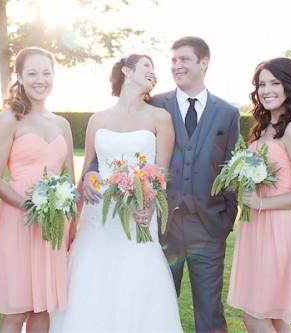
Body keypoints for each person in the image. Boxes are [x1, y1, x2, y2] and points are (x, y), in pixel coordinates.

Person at [83, 36, 240, 332]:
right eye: (173, 60)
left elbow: (229, 168)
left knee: (210, 311)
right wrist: (92, 175)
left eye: (184, 59)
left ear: (203, 63)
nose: (176, 66)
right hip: (159, 224)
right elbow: (103, 154)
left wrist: (226, 218)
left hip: (207, 225)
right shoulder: (153, 103)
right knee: (152, 302)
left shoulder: (227, 112)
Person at [49, 54, 182, 332]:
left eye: (154, 70)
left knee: (135, 282)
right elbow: (86, 172)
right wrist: (76, 213)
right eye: (147, 66)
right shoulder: (98, 119)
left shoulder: (160, 117)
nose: (153, 73)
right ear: (127, 70)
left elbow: (161, 174)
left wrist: (148, 206)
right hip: (98, 218)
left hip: (138, 215)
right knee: (93, 283)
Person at [0, 47, 75, 333]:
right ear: (19, 77)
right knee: (17, 307)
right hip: (18, 218)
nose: (40, 79)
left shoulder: (62, 124)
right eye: (33, 73)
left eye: (46, 73)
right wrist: (30, 206)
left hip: (55, 222)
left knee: (42, 305)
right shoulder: (10, 119)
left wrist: (71, 221)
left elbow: (70, 179)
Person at [227, 58, 291, 333]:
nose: (266, 90)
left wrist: (262, 203)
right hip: (256, 227)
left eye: (274, 83)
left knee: (254, 317)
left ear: (289, 87)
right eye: (261, 84)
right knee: (277, 317)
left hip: (279, 229)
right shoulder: (264, 127)